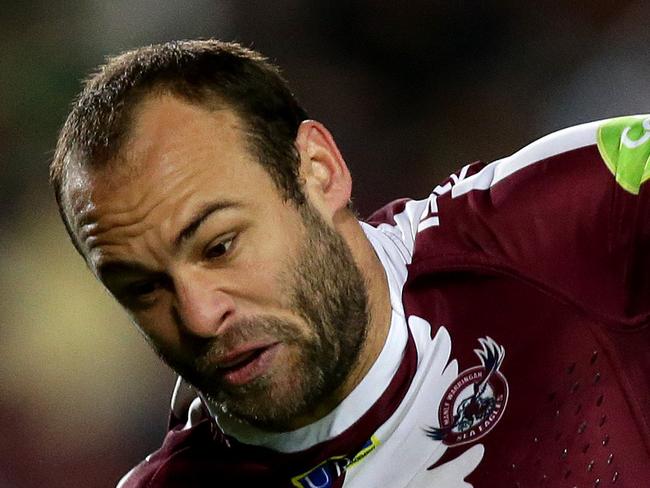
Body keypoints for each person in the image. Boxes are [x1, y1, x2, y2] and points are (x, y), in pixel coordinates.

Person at [50, 40, 649, 488]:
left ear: (318, 171)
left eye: (219, 246)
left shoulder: (554, 226)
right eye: (144, 289)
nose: (200, 317)